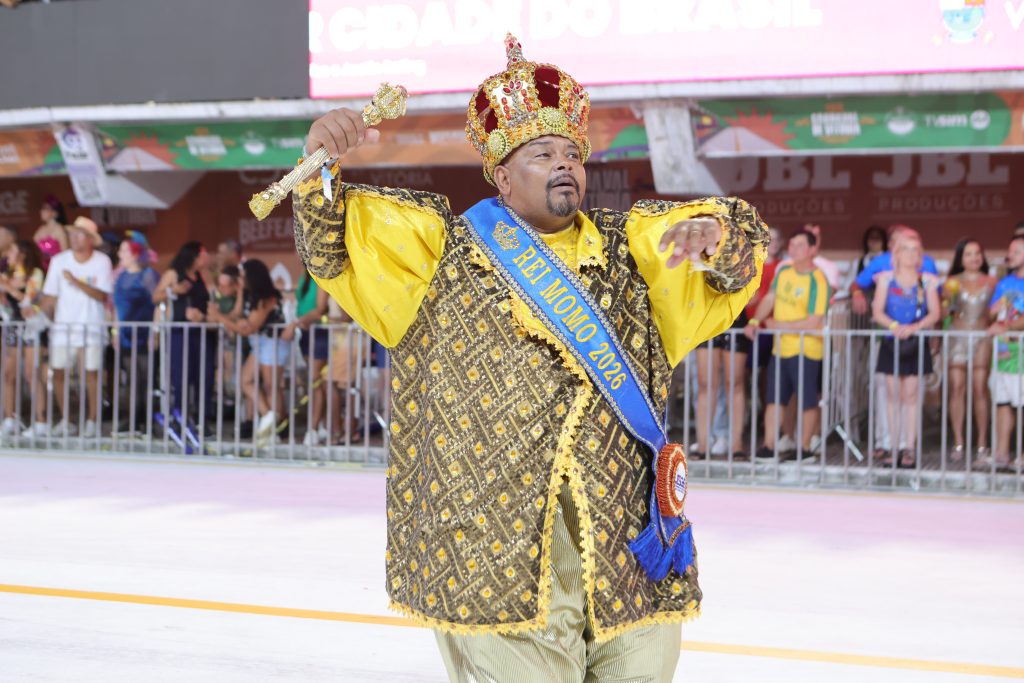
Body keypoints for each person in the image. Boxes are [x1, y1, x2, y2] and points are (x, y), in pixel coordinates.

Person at [292, 35, 768, 680]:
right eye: (542, 153)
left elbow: (731, 251)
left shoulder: (631, 253)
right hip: (493, 546)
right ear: (502, 175)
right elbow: (334, 241)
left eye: (573, 152)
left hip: (630, 546)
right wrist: (319, 156)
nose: (565, 163)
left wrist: (715, 237)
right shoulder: (441, 251)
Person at [24, 217, 112, 438]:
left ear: (90, 239)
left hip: (91, 326)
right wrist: (38, 315)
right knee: (58, 372)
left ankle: (92, 419)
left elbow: (101, 294)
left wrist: (75, 281)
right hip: (63, 327)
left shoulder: (101, 261)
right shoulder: (60, 260)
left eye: (79, 234)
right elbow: (50, 295)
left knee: (91, 374)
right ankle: (66, 419)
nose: (73, 237)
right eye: (71, 233)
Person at [746, 230, 829, 460]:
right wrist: (755, 320)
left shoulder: (818, 280)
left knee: (807, 400)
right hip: (780, 349)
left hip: (806, 350)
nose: (793, 249)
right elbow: (770, 298)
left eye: (800, 245)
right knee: (774, 399)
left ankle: (804, 448)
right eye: (791, 245)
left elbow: (814, 321)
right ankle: (769, 446)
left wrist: (778, 325)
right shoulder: (783, 272)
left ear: (812, 250)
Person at [871, 233, 941, 468]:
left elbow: (934, 313)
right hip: (892, 342)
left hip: (915, 342)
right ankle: (893, 445)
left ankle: (909, 446)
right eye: (906, 249)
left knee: (910, 395)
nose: (911, 254)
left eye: (915, 250)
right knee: (892, 395)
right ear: (897, 254)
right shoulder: (885, 280)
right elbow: (877, 311)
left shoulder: (927, 281)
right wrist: (895, 327)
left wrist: (914, 327)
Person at [209, 259, 291, 440]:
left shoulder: (267, 297)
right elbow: (239, 315)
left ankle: (277, 427)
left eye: (243, 277)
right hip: (260, 342)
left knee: (271, 387)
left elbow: (248, 328)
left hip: (273, 342)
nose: (240, 281)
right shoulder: (249, 294)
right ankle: (268, 415)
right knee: (245, 380)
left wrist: (219, 318)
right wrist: (239, 294)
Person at [941, 239, 996, 461]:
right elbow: (945, 315)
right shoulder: (951, 282)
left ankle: (982, 443)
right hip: (957, 336)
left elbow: (993, 313)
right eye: (968, 254)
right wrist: (947, 302)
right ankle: (958, 442)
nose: (974, 258)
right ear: (960, 258)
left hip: (982, 337)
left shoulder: (992, 281)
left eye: (977, 253)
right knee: (956, 388)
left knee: (980, 388)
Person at [153, 241, 216, 429]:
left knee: (204, 377)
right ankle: (179, 417)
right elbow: (156, 296)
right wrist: (174, 291)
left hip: (201, 331)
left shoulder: (202, 275)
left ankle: (202, 420)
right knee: (181, 377)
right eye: (202, 255)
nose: (205, 258)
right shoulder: (173, 274)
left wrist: (203, 316)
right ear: (193, 256)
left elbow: (211, 299)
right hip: (180, 332)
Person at [112, 234, 159, 432]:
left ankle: (149, 418)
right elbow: (116, 306)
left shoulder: (148, 275)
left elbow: (158, 303)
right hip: (125, 333)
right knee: (131, 378)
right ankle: (132, 418)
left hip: (144, 332)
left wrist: (155, 332)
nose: (119, 254)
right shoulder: (121, 276)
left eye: (123, 250)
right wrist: (114, 331)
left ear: (134, 254)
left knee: (147, 377)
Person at [984, 236, 1024, 470]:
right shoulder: (1005, 283)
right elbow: (991, 314)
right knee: (1002, 400)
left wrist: (1008, 326)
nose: (1011, 256)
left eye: (1016, 251)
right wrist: (995, 312)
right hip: (1004, 351)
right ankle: (1001, 453)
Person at [0, 240, 45, 435]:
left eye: (12, 249)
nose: (8, 253)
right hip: (11, 325)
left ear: (23, 253)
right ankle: (9, 418)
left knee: (31, 373)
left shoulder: (34, 273)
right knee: (8, 373)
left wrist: (9, 288)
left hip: (30, 327)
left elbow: (28, 301)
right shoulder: (6, 274)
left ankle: (40, 420)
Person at [850, 225, 938, 315]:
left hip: (921, 320)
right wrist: (857, 294)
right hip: (887, 320)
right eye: (894, 241)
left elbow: (938, 294)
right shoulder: (881, 262)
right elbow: (856, 284)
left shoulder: (927, 263)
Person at [289, 271, 332, 446]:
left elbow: (321, 307)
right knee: (315, 381)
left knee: (315, 379)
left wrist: (300, 321)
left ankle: (313, 428)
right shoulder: (303, 276)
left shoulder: (322, 276)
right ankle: (320, 424)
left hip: (319, 332)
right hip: (306, 332)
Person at [33, 196, 69, 269]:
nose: (41, 211)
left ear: (55, 212)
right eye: (42, 208)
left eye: (45, 209)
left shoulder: (59, 229)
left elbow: (65, 253)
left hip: (57, 267)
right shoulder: (41, 229)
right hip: (42, 267)